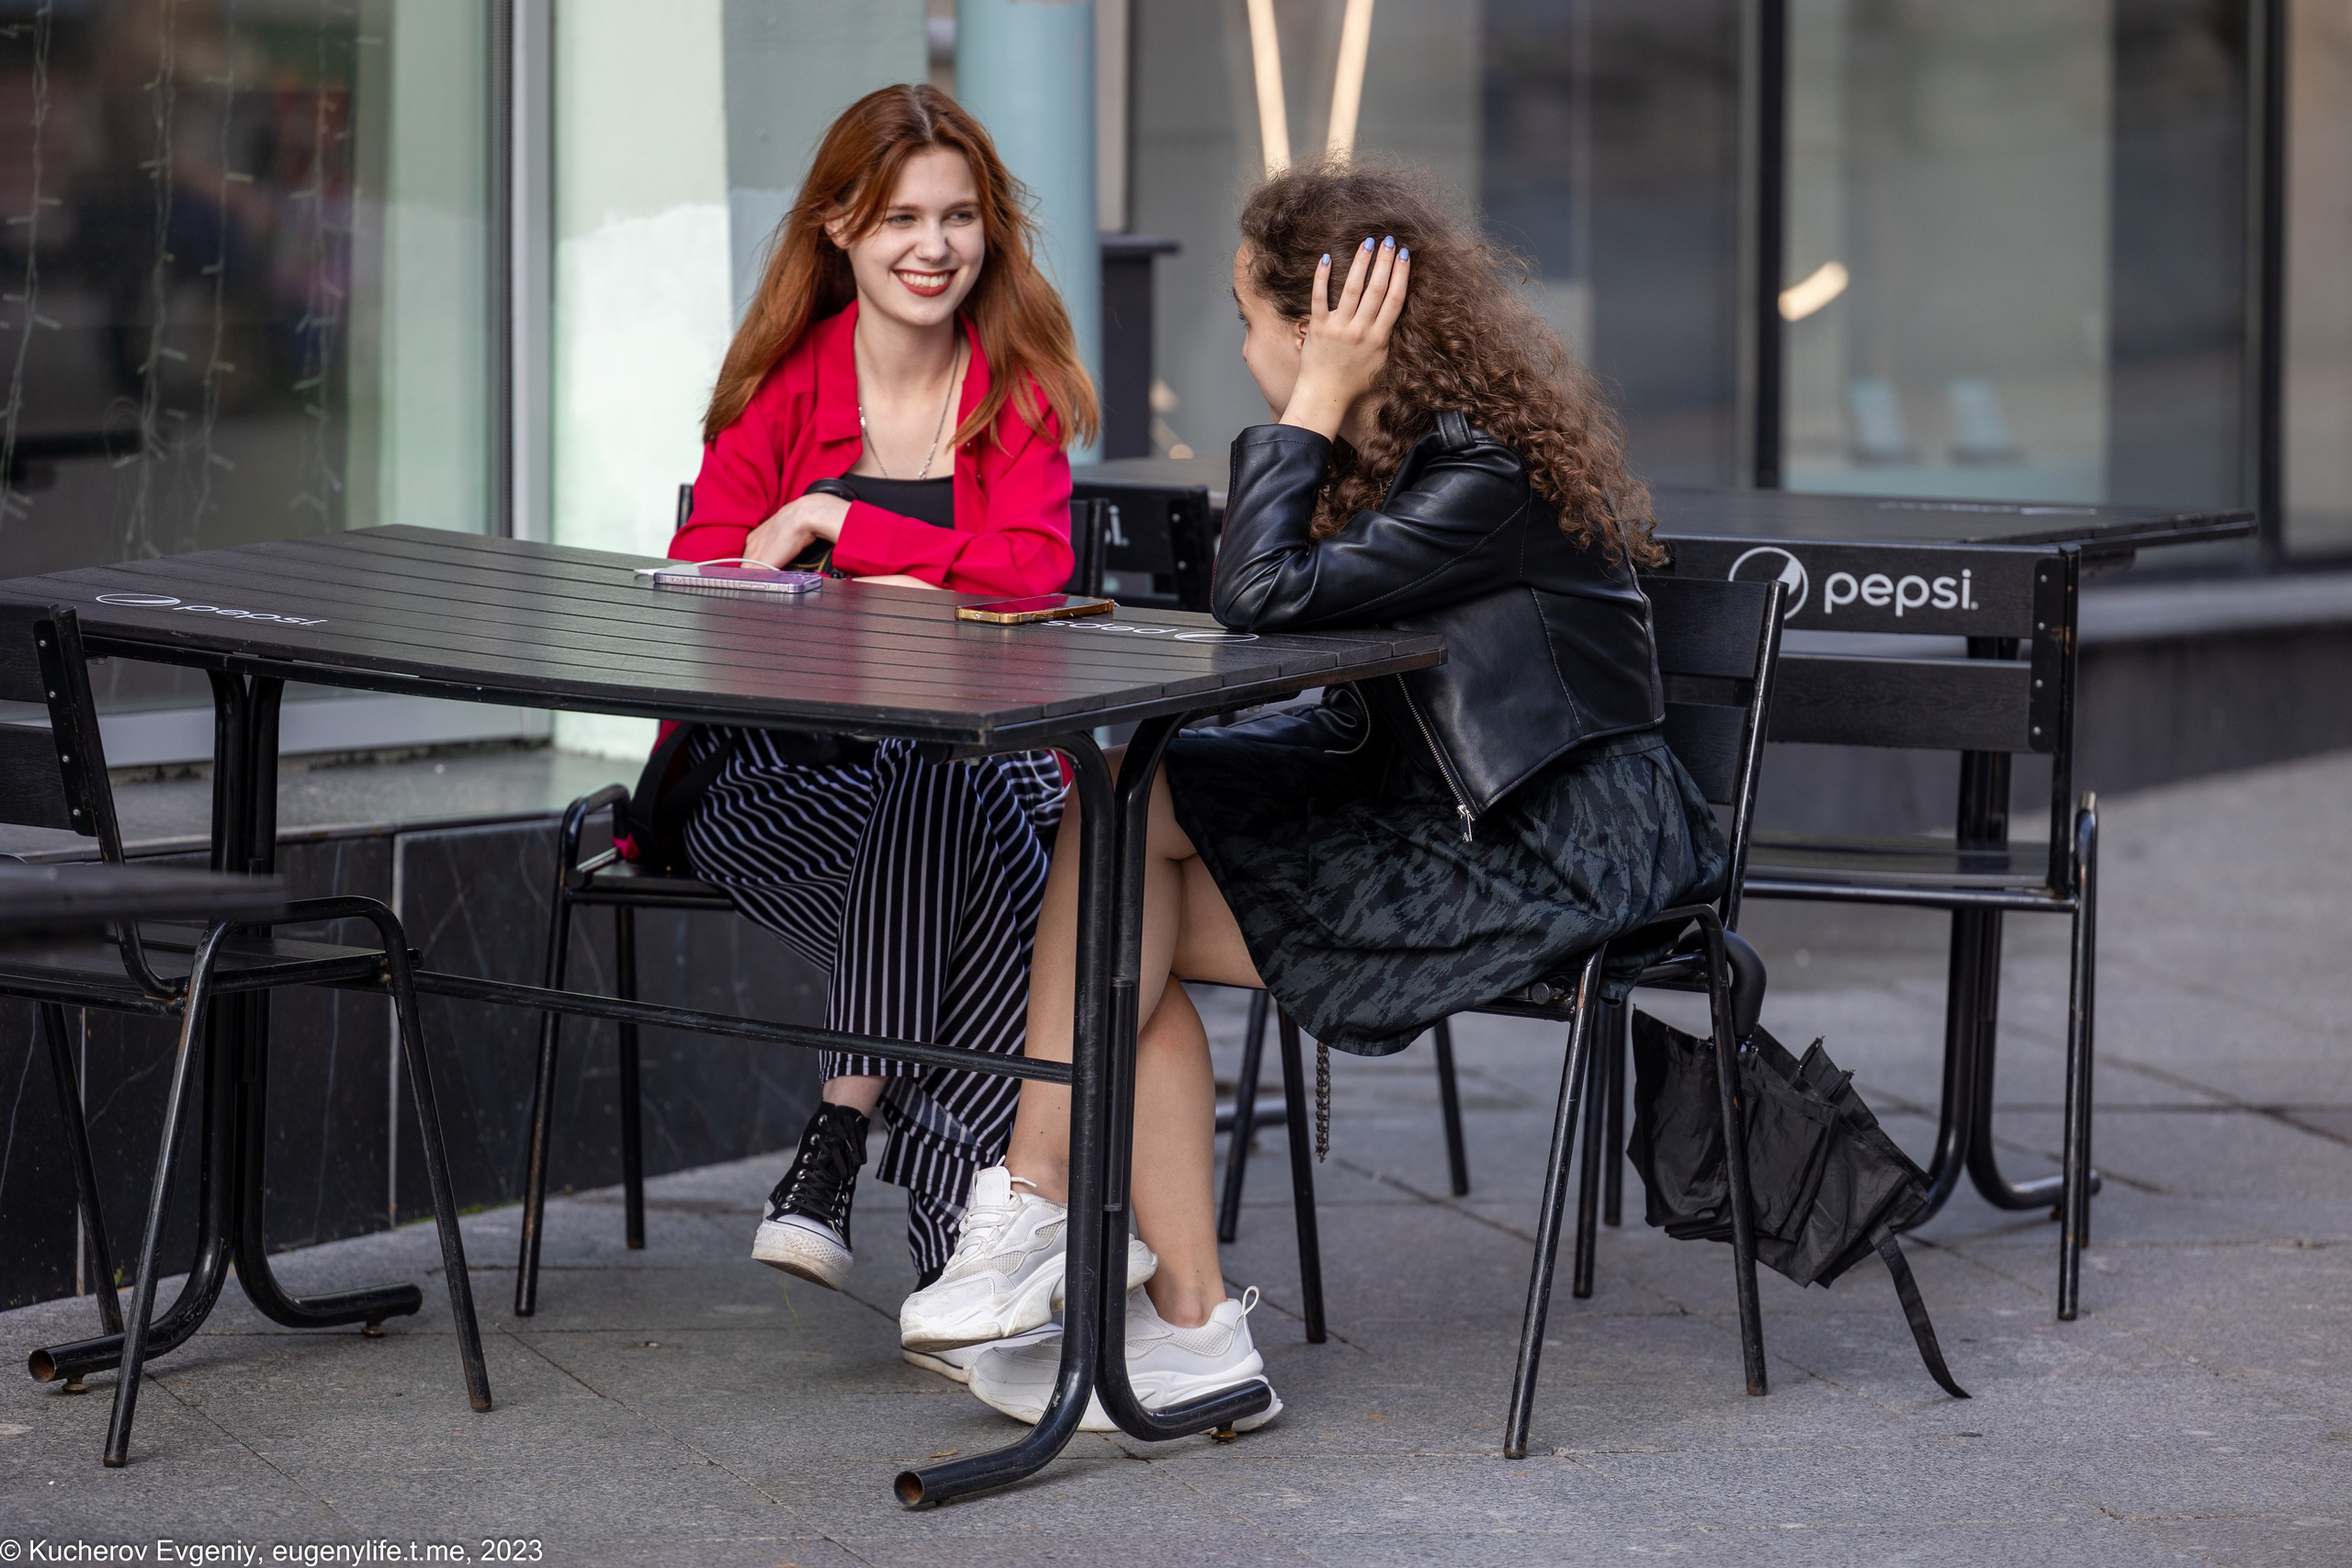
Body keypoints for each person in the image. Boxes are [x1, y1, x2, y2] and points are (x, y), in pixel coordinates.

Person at [894, 159, 1731, 1427]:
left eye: (1250, 321)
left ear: (1324, 326)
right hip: (1445, 824)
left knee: (1125, 848)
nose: (1241, 351)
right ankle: (1173, 1322)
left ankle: (1040, 1203)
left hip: (1553, 853)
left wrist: (1314, 404)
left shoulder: (1479, 471)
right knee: (1125, 833)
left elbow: (1262, 597)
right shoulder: (1401, 462)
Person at [668, 85, 1124, 1365]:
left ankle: (844, 1135)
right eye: (903, 218)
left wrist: (833, 529)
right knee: (1021, 922)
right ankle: (989, 1287)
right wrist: (917, 582)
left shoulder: (1016, 391)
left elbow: (1027, 585)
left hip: (961, 781)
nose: (935, 245)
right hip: (778, 786)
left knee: (955, 759)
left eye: (961, 216)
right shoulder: (780, 388)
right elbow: (709, 579)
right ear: (840, 229)